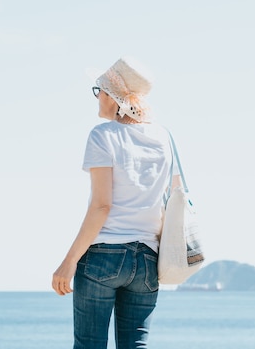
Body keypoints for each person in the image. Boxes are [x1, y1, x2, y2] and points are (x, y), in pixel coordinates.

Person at [52, 57, 180, 349]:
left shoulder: (103, 136)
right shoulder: (164, 138)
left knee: (89, 345)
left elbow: (101, 206)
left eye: (99, 91)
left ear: (112, 96)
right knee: (135, 344)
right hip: (147, 259)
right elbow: (172, 198)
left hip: (103, 256)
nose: (97, 98)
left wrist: (68, 262)